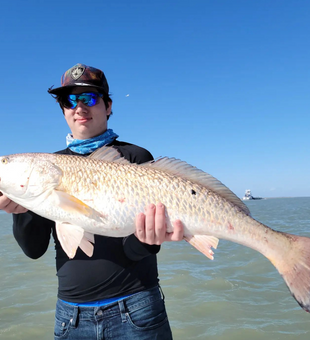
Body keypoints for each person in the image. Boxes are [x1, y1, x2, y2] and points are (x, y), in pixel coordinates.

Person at [0, 63, 184, 340]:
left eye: (89, 98)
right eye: (69, 100)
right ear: (63, 110)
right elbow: (33, 249)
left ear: (108, 106)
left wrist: (149, 239)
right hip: (70, 317)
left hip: (137, 309)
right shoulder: (47, 168)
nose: (79, 107)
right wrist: (21, 210)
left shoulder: (134, 158)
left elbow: (133, 251)